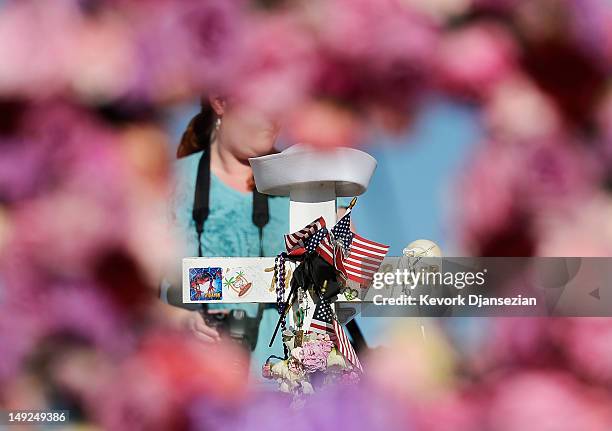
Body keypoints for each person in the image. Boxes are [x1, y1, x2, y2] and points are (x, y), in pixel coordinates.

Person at [163, 96, 350, 381]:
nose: (272, 120)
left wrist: (339, 248)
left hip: (292, 395)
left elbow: (341, 299)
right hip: (198, 387)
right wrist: (182, 320)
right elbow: (130, 298)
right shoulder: (166, 183)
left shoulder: (310, 189)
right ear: (220, 101)